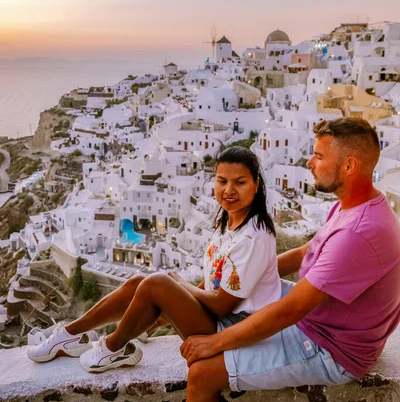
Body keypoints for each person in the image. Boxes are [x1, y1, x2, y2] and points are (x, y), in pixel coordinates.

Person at [173, 117, 400, 402]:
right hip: (325, 319)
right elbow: (308, 251)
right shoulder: (354, 206)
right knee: (232, 307)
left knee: (202, 375)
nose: (309, 162)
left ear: (349, 166)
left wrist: (215, 345)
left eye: (319, 156)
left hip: (330, 347)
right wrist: (255, 273)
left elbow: (289, 311)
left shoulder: (358, 232)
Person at [27, 146, 280, 375]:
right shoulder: (230, 221)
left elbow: (223, 305)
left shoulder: (253, 238)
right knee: (139, 281)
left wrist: (180, 284)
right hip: (219, 320)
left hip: (234, 333)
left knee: (157, 283)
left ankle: (113, 347)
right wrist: (174, 300)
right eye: (222, 181)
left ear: (256, 184)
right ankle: (70, 334)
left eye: (240, 182)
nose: (229, 190)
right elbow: (216, 281)